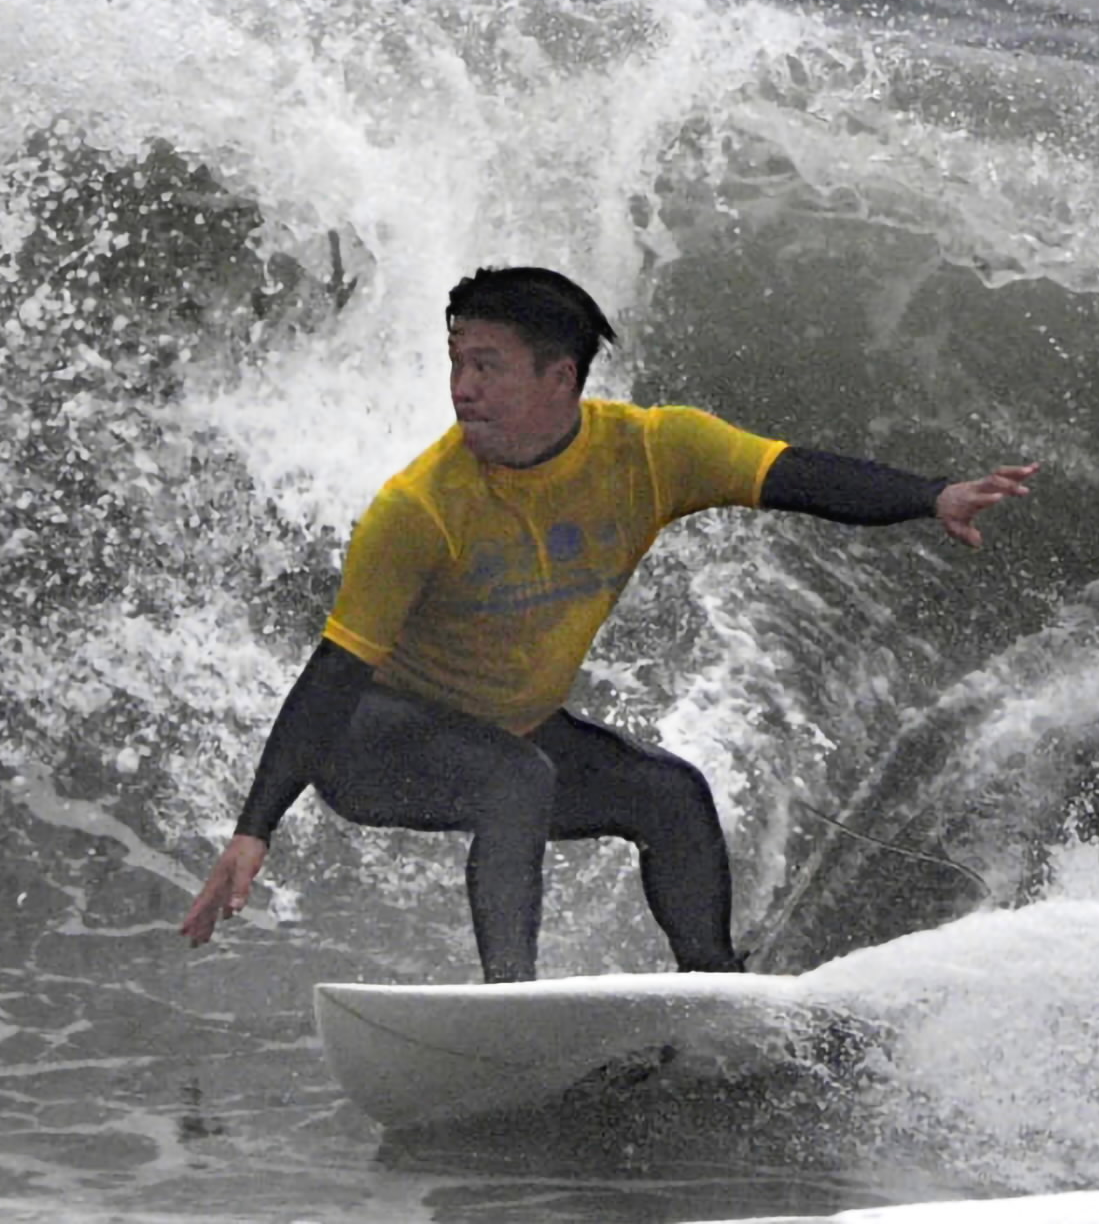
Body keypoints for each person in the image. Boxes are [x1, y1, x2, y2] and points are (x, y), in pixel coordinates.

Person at [180, 265, 1035, 982]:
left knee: (668, 794)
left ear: (561, 377)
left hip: (509, 726)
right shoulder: (419, 509)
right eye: (456, 363)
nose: (463, 387)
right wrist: (255, 829)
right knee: (517, 776)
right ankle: (511, 1007)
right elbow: (332, 675)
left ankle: (716, 994)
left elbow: (797, 475)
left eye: (487, 365)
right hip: (373, 743)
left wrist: (932, 497)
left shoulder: (652, 452)